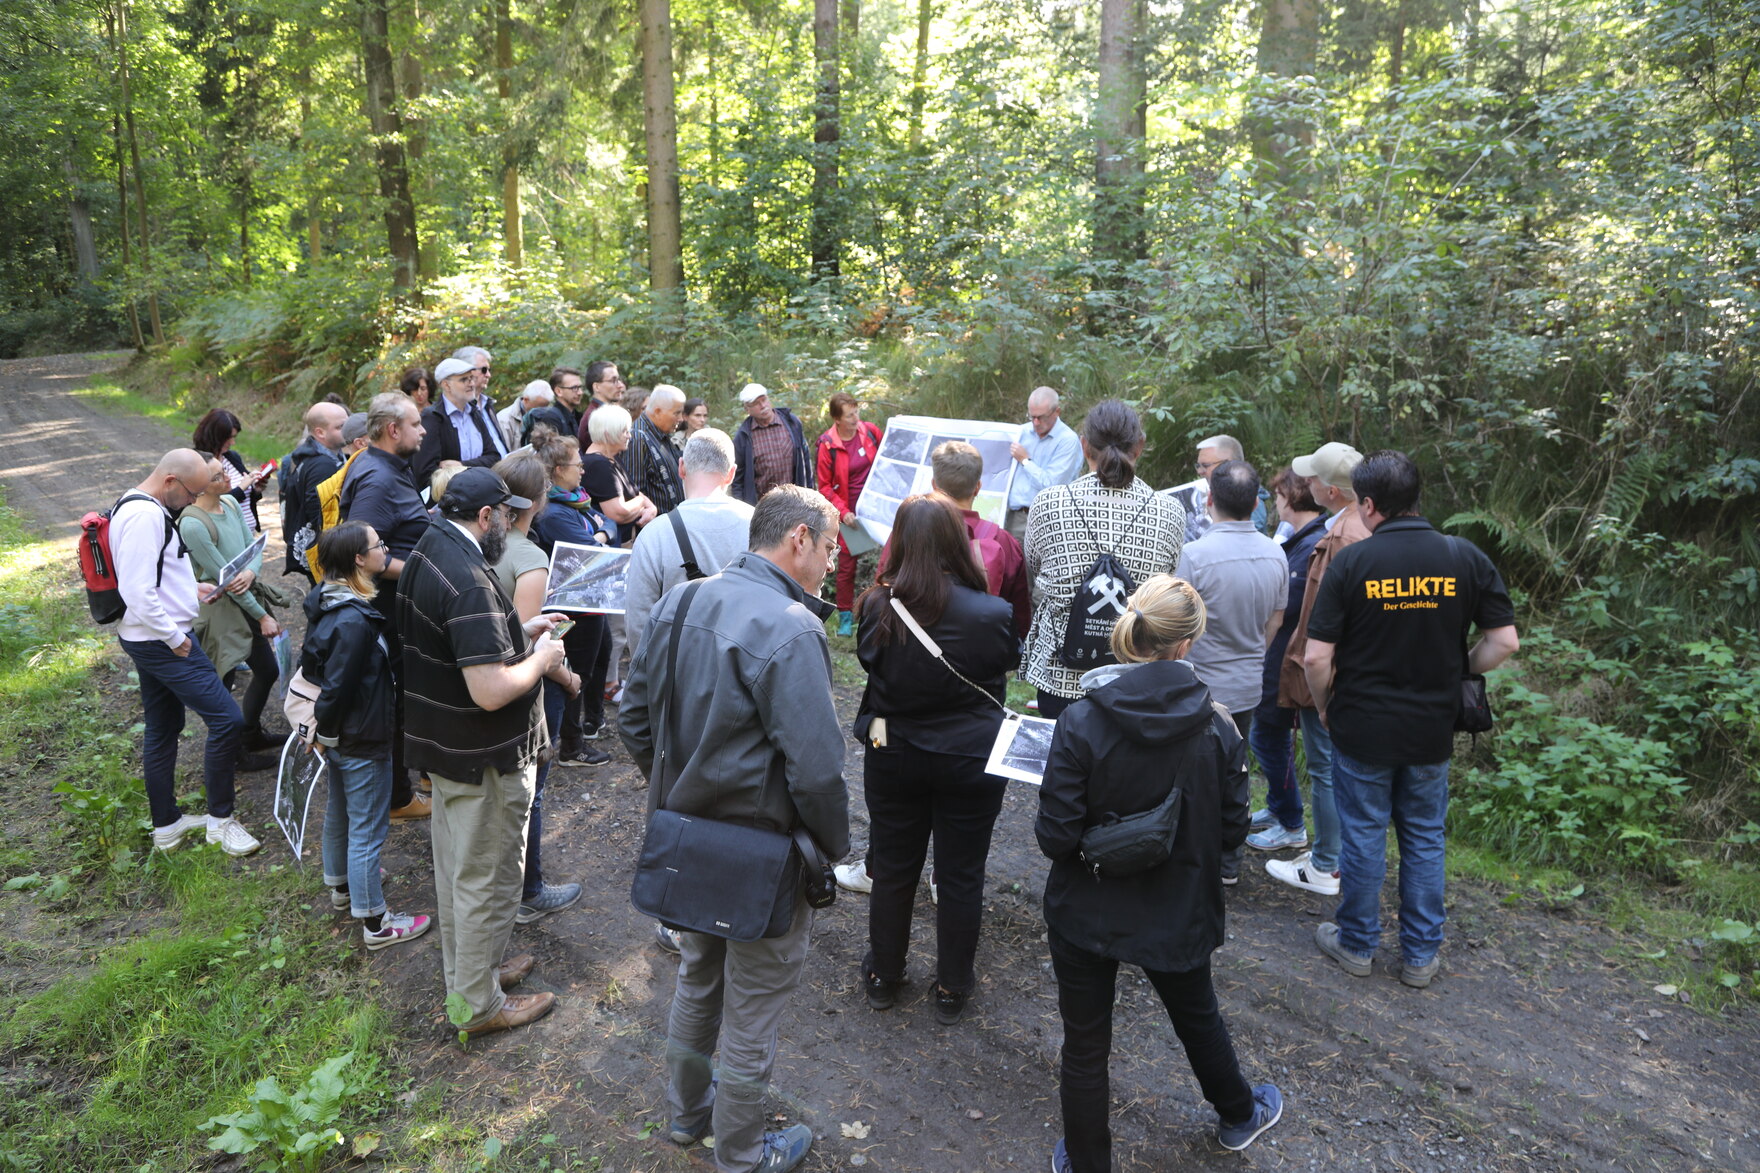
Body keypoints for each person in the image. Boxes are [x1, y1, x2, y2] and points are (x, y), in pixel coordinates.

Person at [619, 484, 850, 1173]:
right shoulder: (791, 625)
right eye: (831, 546)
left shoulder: (678, 600)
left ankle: (686, 1116)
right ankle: (743, 1154)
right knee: (750, 1008)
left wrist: (672, 792)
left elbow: (633, 717)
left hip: (686, 841)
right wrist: (832, 851)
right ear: (798, 539)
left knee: (697, 978)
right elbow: (817, 771)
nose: (834, 564)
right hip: (763, 855)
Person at [1036, 575, 1282, 1169]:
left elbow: (1055, 837)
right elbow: (1231, 831)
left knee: (1086, 1041)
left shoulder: (1080, 721)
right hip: (1177, 906)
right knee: (1197, 1015)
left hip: (1086, 905)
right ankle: (1239, 1114)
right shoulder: (1220, 727)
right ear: (1186, 644)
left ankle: (1088, 1161)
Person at [1303, 450, 1519, 989]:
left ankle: (1356, 944)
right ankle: (1420, 957)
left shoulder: (1352, 563)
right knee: (1424, 836)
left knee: (1363, 834)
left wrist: (1325, 705)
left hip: (1361, 727)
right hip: (1431, 729)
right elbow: (1504, 641)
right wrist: (1458, 671)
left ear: (1368, 505)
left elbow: (1315, 658)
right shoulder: (1463, 556)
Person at [397, 467, 578, 1038]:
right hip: (483, 755)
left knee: (461, 872)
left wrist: (518, 631)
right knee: (485, 876)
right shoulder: (470, 576)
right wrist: (543, 659)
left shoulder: (430, 547)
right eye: (505, 511)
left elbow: (460, 646)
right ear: (485, 516)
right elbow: (491, 688)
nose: (510, 521)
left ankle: (479, 974)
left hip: (449, 749)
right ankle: (478, 1006)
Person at [854, 496, 1017, 1026]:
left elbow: (871, 669)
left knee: (895, 868)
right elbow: (1000, 672)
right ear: (956, 540)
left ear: (898, 540)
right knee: (961, 873)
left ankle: (884, 975)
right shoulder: (993, 612)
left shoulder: (877, 606)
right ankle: (951, 985)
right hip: (972, 758)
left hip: (893, 751)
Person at [113, 448, 263, 857]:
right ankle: (220, 822)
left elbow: (152, 577)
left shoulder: (136, 503)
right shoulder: (146, 517)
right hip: (163, 641)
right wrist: (175, 638)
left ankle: (167, 826)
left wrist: (188, 590)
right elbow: (136, 590)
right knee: (227, 720)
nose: (194, 500)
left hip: (148, 636)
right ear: (170, 482)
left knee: (162, 727)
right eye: (192, 492)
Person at [304, 521, 432, 950]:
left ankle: (341, 886)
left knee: (340, 812)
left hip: (343, 736)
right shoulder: (355, 621)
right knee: (368, 830)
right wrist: (328, 728)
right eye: (379, 546)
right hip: (361, 735)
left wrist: (327, 733)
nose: (386, 550)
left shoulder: (326, 600)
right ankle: (377, 924)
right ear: (359, 559)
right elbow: (339, 686)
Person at [1020, 401, 1186, 718]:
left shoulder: (1048, 503)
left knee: (1065, 765)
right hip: (1134, 680)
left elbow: (1037, 572)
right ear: (1139, 446)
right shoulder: (1170, 511)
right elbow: (1164, 584)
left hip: (1061, 678)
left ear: (1084, 445)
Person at [1263, 442, 1372, 897]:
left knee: (1325, 766)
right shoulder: (1356, 525)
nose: (1303, 484)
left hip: (1328, 669)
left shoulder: (1344, 537)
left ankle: (1326, 864)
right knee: (1331, 766)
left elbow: (1326, 619)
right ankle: (1331, 851)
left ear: (1330, 490)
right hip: (1345, 666)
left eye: (1311, 479)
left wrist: (1313, 674)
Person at [1174, 459, 1287, 885]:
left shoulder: (1196, 555)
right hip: (1246, 685)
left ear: (1209, 500)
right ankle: (1228, 861)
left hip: (1199, 684)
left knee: (1190, 770)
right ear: (1256, 501)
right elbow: (1273, 624)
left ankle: (1188, 855)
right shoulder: (1275, 553)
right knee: (1235, 771)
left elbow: (1180, 624)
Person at [489, 451, 586, 925]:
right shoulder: (526, 558)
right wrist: (568, 679)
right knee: (532, 791)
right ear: (540, 500)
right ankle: (529, 891)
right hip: (526, 689)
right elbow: (527, 643)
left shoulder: (481, 543)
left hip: (489, 683)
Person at [338, 391, 434, 822]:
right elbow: (361, 550)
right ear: (393, 430)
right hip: (389, 610)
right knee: (394, 697)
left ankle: (421, 772)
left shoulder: (389, 467)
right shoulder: (377, 478)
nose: (424, 430)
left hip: (402, 605)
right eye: (416, 424)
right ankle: (397, 797)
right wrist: (420, 570)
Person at [178, 452, 291, 754]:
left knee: (266, 671)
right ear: (199, 486)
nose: (228, 478)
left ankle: (249, 735)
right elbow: (225, 579)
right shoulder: (192, 525)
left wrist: (252, 571)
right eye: (217, 476)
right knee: (224, 681)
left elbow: (252, 549)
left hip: (246, 599)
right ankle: (232, 753)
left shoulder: (229, 502)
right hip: (220, 614)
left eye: (223, 473)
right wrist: (263, 617)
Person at [1242, 467, 1329, 858]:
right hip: (1281, 658)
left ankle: (1291, 823)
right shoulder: (1302, 539)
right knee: (1268, 738)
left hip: (1286, 661)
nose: (1275, 502)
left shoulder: (1312, 543)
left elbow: (1290, 602)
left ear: (1292, 498)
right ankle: (1280, 809)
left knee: (1267, 739)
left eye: (1279, 494)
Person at [623, 428, 753, 656]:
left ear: (681, 467)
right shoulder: (759, 524)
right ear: (731, 474)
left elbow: (638, 622)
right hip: (746, 671)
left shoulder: (655, 534)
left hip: (678, 676)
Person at [528, 424, 615, 766]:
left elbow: (609, 524)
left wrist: (605, 532)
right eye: (578, 464)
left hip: (590, 604)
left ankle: (587, 726)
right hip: (569, 609)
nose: (583, 469)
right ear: (559, 471)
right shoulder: (554, 513)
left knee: (598, 658)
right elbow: (592, 546)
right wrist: (605, 534)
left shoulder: (576, 503)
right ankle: (571, 745)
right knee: (574, 669)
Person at [931, 440, 1030, 636]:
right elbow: (1019, 616)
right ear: (977, 487)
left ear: (934, 485)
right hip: (980, 652)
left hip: (917, 650)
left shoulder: (909, 531)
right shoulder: (1004, 542)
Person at [815, 391, 883, 636]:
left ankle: (882, 609)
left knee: (888, 556)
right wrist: (843, 513)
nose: (856, 418)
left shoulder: (870, 432)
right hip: (848, 511)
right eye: (850, 415)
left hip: (876, 509)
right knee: (847, 566)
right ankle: (845, 616)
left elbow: (885, 462)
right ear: (837, 419)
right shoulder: (828, 445)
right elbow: (824, 486)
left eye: (857, 412)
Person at [413, 356, 510, 491]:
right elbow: (425, 473)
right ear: (446, 385)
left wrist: (460, 465)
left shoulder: (475, 413)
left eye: (471, 378)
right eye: (464, 379)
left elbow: (494, 457)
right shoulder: (433, 418)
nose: (471, 383)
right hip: (450, 503)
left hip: (481, 494)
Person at [1004, 386, 1083, 544]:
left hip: (1044, 520)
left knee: (1032, 569)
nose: (1036, 422)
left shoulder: (1068, 440)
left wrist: (1026, 461)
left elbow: (1052, 486)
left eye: (1041, 417)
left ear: (1057, 412)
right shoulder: (1021, 432)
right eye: (1031, 416)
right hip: (1010, 516)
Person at [1161, 435, 1269, 545]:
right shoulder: (1204, 493)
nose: (1200, 471)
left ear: (1230, 464)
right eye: (1198, 465)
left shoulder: (1247, 498)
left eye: (1206, 465)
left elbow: (1243, 542)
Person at [282, 401, 348, 581]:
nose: (347, 429)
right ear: (320, 432)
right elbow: (320, 513)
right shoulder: (322, 465)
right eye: (341, 426)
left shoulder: (314, 455)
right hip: (325, 553)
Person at [582, 404, 658, 544]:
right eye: (624, 431)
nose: (629, 436)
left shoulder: (611, 458)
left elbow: (633, 491)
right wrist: (642, 503)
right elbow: (619, 513)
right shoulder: (598, 464)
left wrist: (651, 507)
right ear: (607, 433)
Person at [731, 384, 814, 505]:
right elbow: (737, 481)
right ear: (747, 409)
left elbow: (805, 460)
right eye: (756, 403)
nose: (763, 406)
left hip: (796, 502)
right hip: (764, 508)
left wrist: (810, 493)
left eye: (764, 400)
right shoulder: (743, 437)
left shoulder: (791, 423)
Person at [192, 408, 271, 531]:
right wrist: (241, 487)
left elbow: (246, 499)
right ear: (214, 436)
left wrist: (255, 489)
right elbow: (212, 503)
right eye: (228, 438)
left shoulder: (232, 457)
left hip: (248, 533)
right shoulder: (198, 462)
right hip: (223, 533)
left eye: (234, 437)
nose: (233, 442)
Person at [626, 384, 687, 516]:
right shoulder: (637, 439)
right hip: (656, 529)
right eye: (676, 413)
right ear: (658, 411)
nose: (681, 418)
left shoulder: (662, 433)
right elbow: (634, 493)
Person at [572, 360, 629, 451]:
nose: (620, 385)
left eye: (619, 380)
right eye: (613, 380)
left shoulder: (604, 413)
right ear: (597, 387)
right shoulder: (595, 418)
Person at [523, 366, 585, 444]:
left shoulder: (577, 417)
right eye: (574, 388)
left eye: (580, 387)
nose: (580, 392)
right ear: (558, 391)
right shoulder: (551, 419)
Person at [497, 379, 553, 452]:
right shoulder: (505, 420)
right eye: (538, 407)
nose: (542, 411)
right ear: (526, 400)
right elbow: (503, 454)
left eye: (546, 406)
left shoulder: (549, 416)